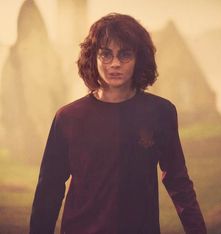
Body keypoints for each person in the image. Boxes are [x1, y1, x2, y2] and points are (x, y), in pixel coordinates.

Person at [29, 13, 207, 234]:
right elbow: (49, 189)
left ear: (138, 58)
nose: (115, 63)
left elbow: (178, 182)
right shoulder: (68, 118)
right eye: (106, 54)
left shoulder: (160, 112)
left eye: (125, 55)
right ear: (92, 57)